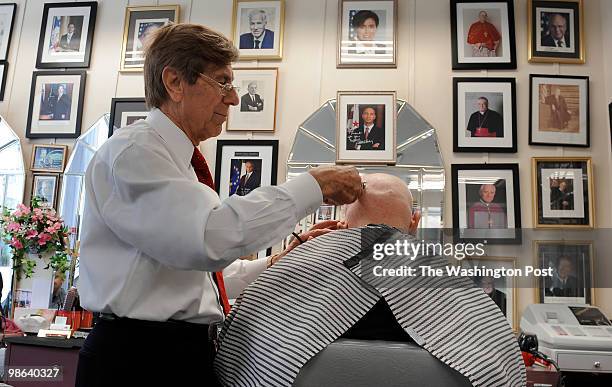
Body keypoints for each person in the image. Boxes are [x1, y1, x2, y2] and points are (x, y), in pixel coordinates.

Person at [75, 23, 363, 386]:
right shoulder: (135, 153)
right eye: (222, 82)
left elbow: (201, 283)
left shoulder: (178, 162)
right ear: (175, 83)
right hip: (140, 362)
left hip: (174, 354)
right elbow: (208, 239)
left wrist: (278, 260)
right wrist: (312, 187)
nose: (234, 98)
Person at [215, 173, 525, 387]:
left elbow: (237, 352)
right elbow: (500, 364)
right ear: (414, 223)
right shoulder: (445, 275)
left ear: (343, 221)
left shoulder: (297, 265)